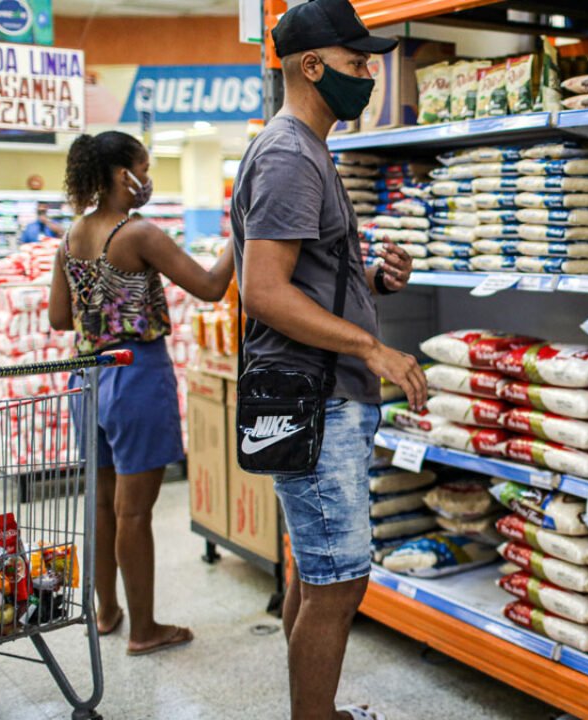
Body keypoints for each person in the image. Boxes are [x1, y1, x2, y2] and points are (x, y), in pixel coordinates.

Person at [230, 2, 424, 719]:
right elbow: (263, 293)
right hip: (315, 395)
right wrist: (372, 347)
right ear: (311, 66)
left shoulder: (303, 148)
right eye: (356, 62)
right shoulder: (288, 154)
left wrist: (369, 282)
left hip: (315, 392)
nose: (369, 74)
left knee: (319, 576)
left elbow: (299, 278)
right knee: (338, 582)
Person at [48, 130, 236, 656]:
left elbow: (60, 317)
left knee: (104, 503)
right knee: (136, 512)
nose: (147, 179)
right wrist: (242, 237)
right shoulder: (139, 234)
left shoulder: (72, 238)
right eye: (144, 167)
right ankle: (146, 629)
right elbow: (210, 286)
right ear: (119, 175)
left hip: (86, 379)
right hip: (136, 374)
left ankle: (107, 610)